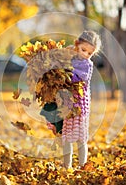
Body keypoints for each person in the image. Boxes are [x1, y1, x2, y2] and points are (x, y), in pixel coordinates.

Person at [40, 30, 101, 169]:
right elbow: (58, 60)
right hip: (66, 104)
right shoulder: (70, 56)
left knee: (80, 138)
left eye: (89, 53)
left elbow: (77, 78)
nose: (85, 54)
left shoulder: (87, 65)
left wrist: (64, 71)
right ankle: (67, 167)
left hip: (79, 107)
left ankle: (82, 165)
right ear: (77, 44)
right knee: (66, 138)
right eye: (83, 49)